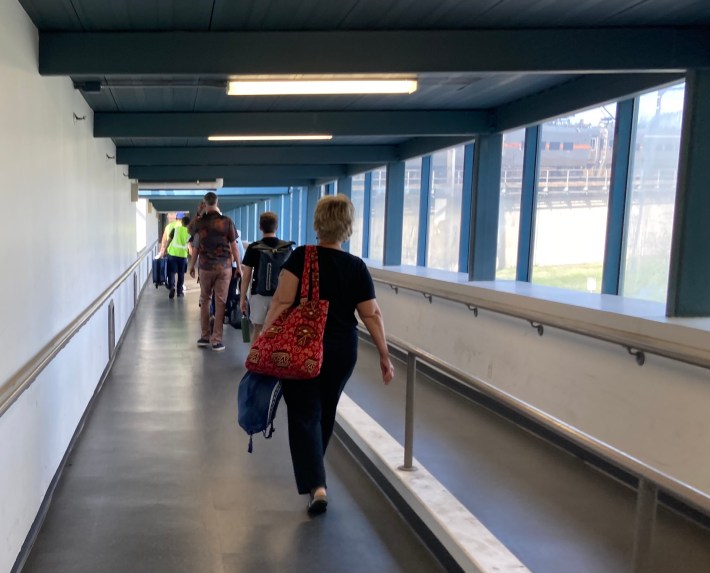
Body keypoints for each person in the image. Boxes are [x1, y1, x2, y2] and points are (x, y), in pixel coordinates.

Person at [259, 194, 395, 515]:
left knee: (304, 413)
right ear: (347, 227)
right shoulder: (356, 266)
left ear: (317, 224)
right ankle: (315, 473)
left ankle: (317, 485)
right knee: (325, 409)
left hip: (301, 346)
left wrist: (264, 337)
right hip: (340, 349)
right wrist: (384, 355)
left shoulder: (302, 257)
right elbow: (371, 314)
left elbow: (281, 301)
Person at [188, 192, 242, 352]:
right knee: (220, 302)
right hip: (224, 267)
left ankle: (204, 336)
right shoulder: (227, 222)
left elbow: (195, 245)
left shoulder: (199, 223)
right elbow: (234, 247)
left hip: (205, 267)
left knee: (205, 300)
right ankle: (217, 340)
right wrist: (238, 266)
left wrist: (192, 266)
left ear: (204, 204)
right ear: (218, 202)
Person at [240, 211, 294, 338]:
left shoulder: (254, 247)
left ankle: (254, 357)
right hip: (281, 297)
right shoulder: (287, 248)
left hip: (259, 295)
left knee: (257, 331)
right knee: (278, 333)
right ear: (277, 227)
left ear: (260, 227)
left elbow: (246, 275)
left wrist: (242, 298)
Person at [165, 215, 191, 299]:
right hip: (182, 256)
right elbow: (190, 246)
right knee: (181, 274)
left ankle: (172, 287)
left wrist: (165, 250)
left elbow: (168, 241)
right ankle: (179, 292)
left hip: (172, 254)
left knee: (171, 272)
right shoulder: (189, 233)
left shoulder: (175, 230)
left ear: (181, 223)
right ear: (189, 224)